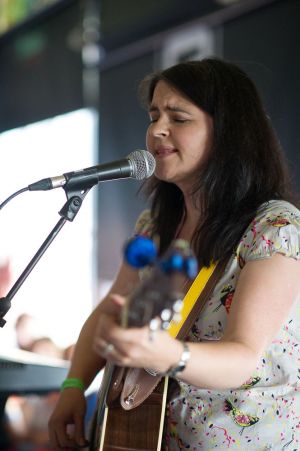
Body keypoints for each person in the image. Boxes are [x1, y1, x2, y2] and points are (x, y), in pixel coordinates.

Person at [48, 58, 300, 450]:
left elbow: (243, 357)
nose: (157, 130)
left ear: (228, 132)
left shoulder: (275, 229)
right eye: (154, 116)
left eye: (178, 118)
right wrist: (74, 386)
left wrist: (171, 355)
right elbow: (108, 312)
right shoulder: (156, 224)